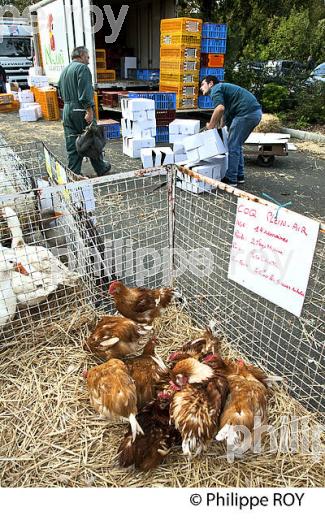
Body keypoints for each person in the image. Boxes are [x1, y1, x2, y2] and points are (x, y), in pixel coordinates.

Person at [58, 46, 111, 176]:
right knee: (91, 139)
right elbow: (85, 92)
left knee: (72, 141)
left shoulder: (65, 70)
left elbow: (59, 91)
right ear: (81, 55)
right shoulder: (82, 69)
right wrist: (89, 110)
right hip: (80, 109)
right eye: (87, 57)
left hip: (67, 109)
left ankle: (73, 172)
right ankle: (101, 168)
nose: (88, 60)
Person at [200, 76, 262, 187]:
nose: (201, 87)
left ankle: (231, 179)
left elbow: (219, 108)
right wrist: (220, 126)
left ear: (210, 84)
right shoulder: (224, 90)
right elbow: (225, 114)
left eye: (202, 84)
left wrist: (210, 126)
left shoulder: (216, 89)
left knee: (233, 145)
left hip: (245, 114)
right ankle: (239, 176)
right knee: (236, 145)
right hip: (253, 113)